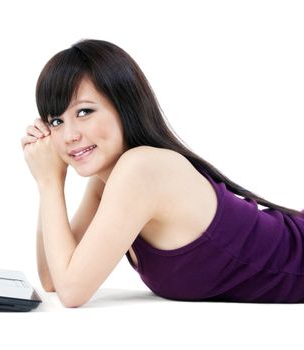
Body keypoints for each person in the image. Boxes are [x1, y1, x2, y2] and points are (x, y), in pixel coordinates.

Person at [21, 39, 304, 308]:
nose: (68, 135)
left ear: (124, 106)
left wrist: (48, 183)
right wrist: (52, 180)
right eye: (56, 121)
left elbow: (71, 290)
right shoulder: (107, 181)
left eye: (84, 112)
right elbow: (53, 280)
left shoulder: (142, 169)